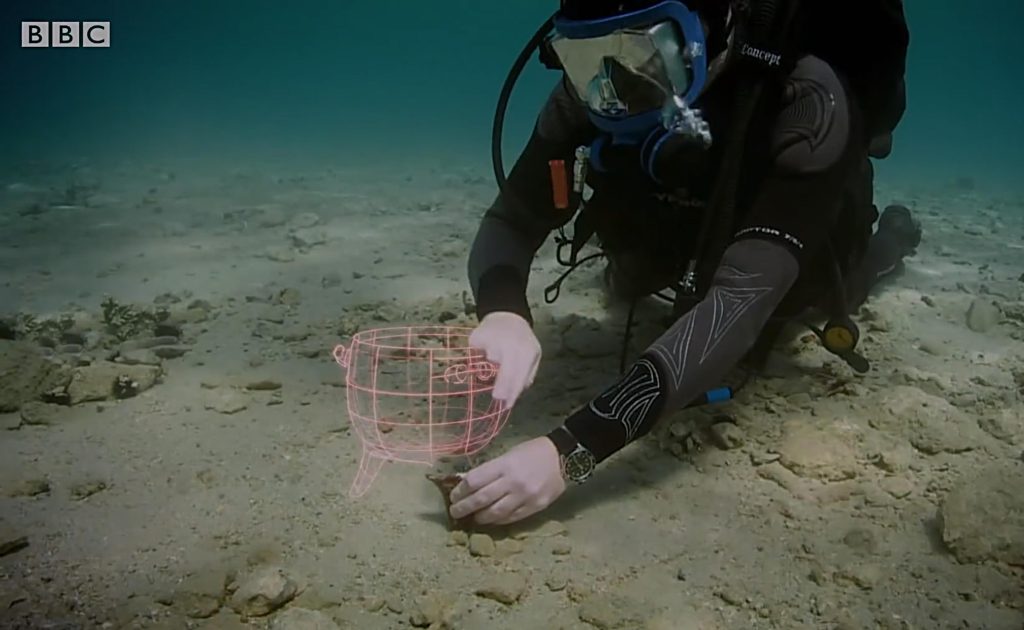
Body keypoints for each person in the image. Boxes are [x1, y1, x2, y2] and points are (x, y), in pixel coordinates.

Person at [449, 0, 920, 526]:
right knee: (629, 278)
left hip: (790, 233)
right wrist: (502, 310)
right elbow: (510, 222)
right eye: (587, 56)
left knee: (811, 299)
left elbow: (739, 300)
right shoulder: (593, 92)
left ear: (701, 39)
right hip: (679, 228)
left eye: (642, 51)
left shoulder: (808, 99)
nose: (616, 87)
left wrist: (570, 452)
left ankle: (889, 244)